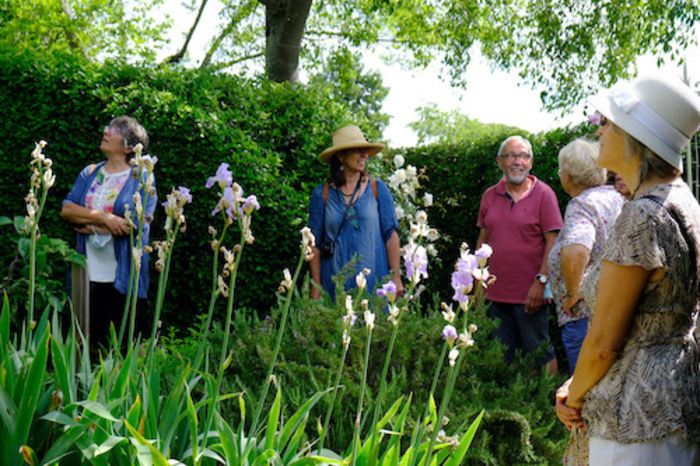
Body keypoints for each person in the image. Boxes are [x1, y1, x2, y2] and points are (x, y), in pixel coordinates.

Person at [556, 75, 700, 464]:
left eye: (608, 122)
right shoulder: (683, 201)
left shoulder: (641, 216)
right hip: (674, 400)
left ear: (636, 137)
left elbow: (604, 343)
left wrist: (573, 393)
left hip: (634, 421)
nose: (598, 128)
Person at [61, 116, 156, 347]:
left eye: (114, 130)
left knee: (121, 344)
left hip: (121, 274)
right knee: (82, 342)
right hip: (87, 271)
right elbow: (67, 209)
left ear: (127, 146)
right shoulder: (90, 172)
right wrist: (104, 218)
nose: (105, 131)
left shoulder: (141, 177)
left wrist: (86, 226)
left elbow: (131, 225)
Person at [476, 135, 563, 372]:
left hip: (530, 294)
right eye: (512, 155)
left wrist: (541, 282)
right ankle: (510, 404)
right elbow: (483, 240)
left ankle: (546, 403)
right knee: (502, 356)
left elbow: (553, 242)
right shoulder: (489, 196)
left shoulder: (544, 195)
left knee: (540, 353)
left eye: (524, 156)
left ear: (531, 163)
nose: (518, 161)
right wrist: (478, 283)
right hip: (495, 295)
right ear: (500, 161)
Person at [548, 139, 624, 374]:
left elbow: (577, 249)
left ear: (568, 175)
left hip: (584, 317)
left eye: (561, 169)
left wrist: (573, 293)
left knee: (585, 391)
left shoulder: (582, 205)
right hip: (617, 310)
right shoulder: (617, 197)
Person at [309, 125, 402, 299]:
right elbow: (313, 243)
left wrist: (396, 277)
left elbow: (391, 235)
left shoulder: (377, 189)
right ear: (341, 155)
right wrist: (316, 285)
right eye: (357, 151)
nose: (364, 155)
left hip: (374, 283)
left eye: (365, 151)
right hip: (334, 286)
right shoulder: (322, 194)